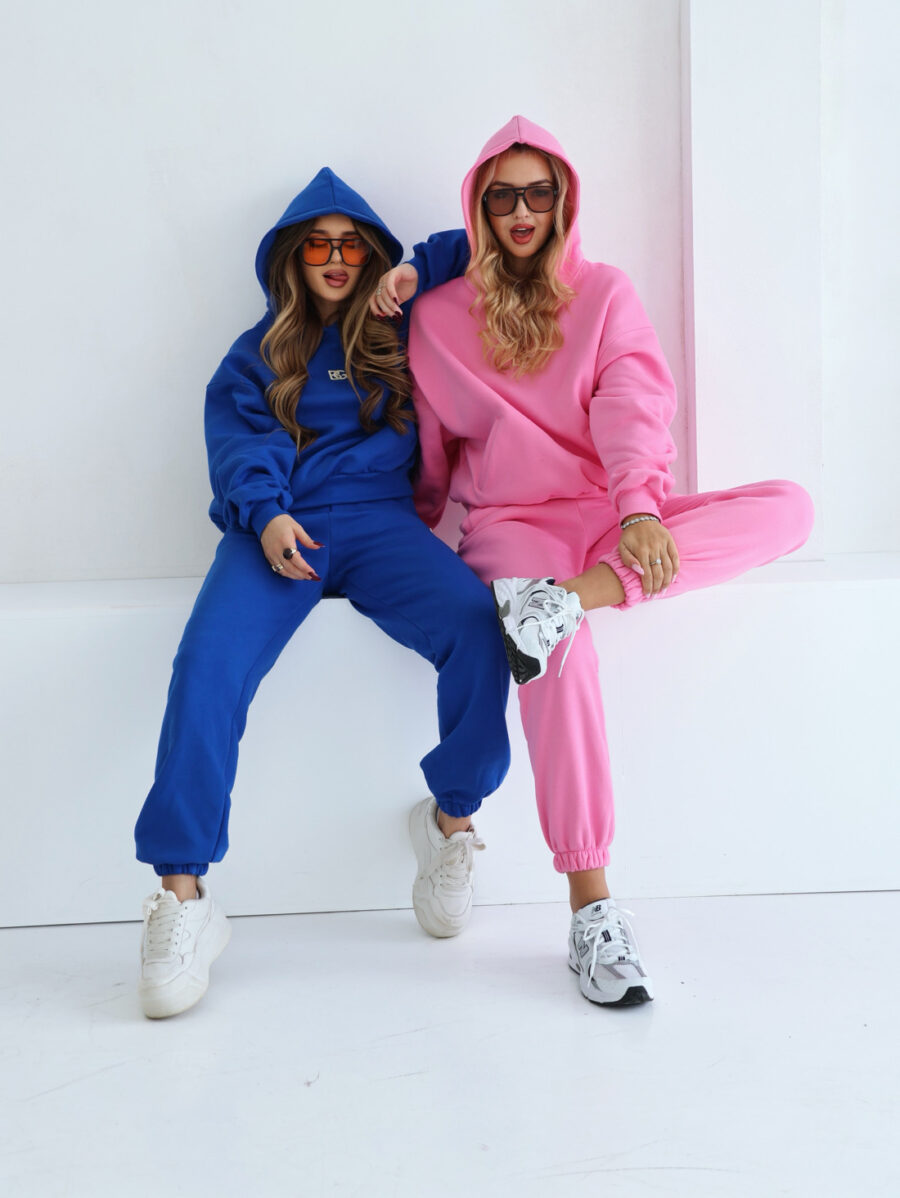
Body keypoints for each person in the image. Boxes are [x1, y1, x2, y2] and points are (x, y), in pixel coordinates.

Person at [371, 115, 814, 1008]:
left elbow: (631, 404)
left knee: (791, 506)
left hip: (610, 517)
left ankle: (572, 597)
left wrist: (639, 508)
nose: (522, 211)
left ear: (564, 200)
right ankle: (591, 908)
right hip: (513, 526)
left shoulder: (605, 293)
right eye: (504, 196)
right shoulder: (438, 320)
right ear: (479, 206)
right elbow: (430, 455)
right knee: (557, 657)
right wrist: (398, 547)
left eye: (540, 193)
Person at [133, 167, 511, 1019]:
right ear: (291, 259)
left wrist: (413, 267)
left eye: (351, 245)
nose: (336, 259)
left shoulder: (400, 325)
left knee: (476, 625)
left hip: (381, 525)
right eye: (318, 245)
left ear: (369, 254)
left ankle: (450, 824)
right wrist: (265, 513)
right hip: (277, 531)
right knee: (206, 666)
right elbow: (238, 440)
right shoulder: (259, 350)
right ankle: (183, 894)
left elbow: (484, 245)